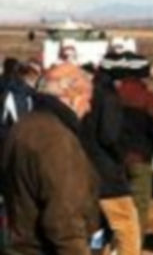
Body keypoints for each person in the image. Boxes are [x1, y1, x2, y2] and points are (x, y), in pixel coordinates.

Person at [1, 64, 99, 253]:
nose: (88, 108)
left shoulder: (22, 126)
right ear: (71, 95)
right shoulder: (57, 139)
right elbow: (64, 219)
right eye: (87, 99)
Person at [81, 67, 141, 254]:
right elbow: (109, 136)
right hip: (108, 173)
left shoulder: (83, 99)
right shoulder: (109, 98)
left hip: (84, 169)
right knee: (126, 225)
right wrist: (122, 154)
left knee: (94, 225)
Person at [116, 72, 153, 241]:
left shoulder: (111, 98)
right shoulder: (148, 100)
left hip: (114, 160)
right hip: (140, 159)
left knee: (117, 203)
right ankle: (134, 243)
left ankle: (115, 242)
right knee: (140, 204)